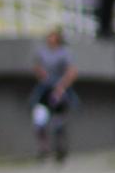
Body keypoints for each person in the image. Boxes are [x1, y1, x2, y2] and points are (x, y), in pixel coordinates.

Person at [30, 27, 79, 164]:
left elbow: (72, 71)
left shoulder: (64, 53)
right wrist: (41, 74)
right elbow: (37, 67)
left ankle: (60, 149)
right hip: (45, 89)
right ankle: (43, 148)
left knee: (59, 121)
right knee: (39, 119)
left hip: (59, 89)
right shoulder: (42, 52)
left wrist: (61, 86)